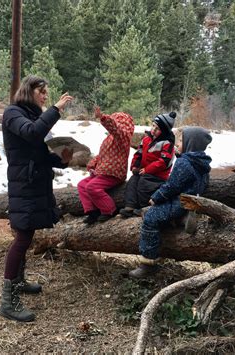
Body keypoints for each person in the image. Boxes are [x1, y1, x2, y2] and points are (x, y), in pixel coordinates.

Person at [0, 75, 73, 322]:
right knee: (22, 237)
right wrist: (56, 110)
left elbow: (39, 151)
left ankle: (18, 282)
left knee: (26, 234)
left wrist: (60, 159)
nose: (44, 96)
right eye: (41, 92)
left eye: (46, 93)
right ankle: (8, 301)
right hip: (24, 183)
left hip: (34, 182)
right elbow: (32, 134)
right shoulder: (13, 113)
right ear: (28, 91)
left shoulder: (32, 116)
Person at [128, 126, 212, 279]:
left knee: (150, 218)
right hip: (191, 201)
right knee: (157, 212)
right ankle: (181, 217)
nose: (177, 143)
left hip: (179, 201)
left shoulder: (184, 163)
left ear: (190, 143)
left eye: (181, 140)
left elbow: (172, 186)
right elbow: (204, 184)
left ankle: (148, 263)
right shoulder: (203, 163)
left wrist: (156, 197)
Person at [77, 107, 134, 224]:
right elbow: (102, 155)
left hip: (114, 173)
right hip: (103, 171)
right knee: (82, 184)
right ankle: (92, 211)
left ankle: (109, 210)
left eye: (115, 121)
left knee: (92, 187)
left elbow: (116, 129)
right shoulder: (109, 138)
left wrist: (103, 117)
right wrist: (93, 163)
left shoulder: (123, 137)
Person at [119, 112, 176, 218]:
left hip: (158, 175)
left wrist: (147, 170)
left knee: (144, 184)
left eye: (158, 128)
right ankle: (130, 205)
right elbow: (138, 154)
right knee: (132, 181)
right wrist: (135, 166)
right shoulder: (146, 139)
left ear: (164, 131)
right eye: (153, 125)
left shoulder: (167, 143)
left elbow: (164, 162)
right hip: (143, 171)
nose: (153, 129)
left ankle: (145, 208)